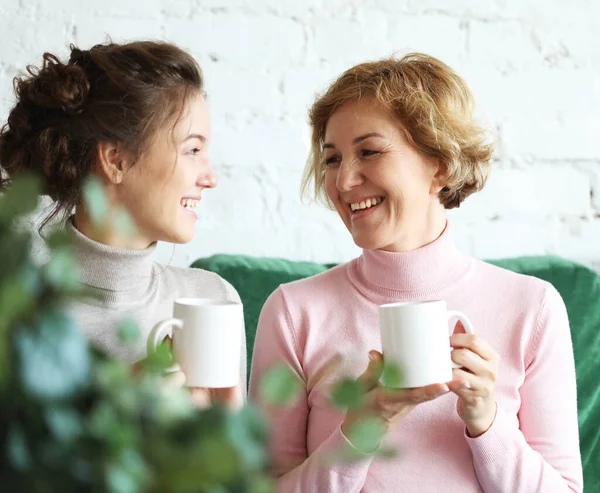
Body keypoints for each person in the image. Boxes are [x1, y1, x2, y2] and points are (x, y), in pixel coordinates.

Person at [249, 53, 583, 491]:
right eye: (332, 159)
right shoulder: (294, 312)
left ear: (439, 166)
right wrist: (360, 431)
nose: (344, 181)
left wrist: (488, 422)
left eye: (368, 151)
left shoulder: (532, 307)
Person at [0, 41, 245, 408]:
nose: (210, 178)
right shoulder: (20, 318)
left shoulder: (214, 300)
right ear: (116, 159)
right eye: (192, 150)